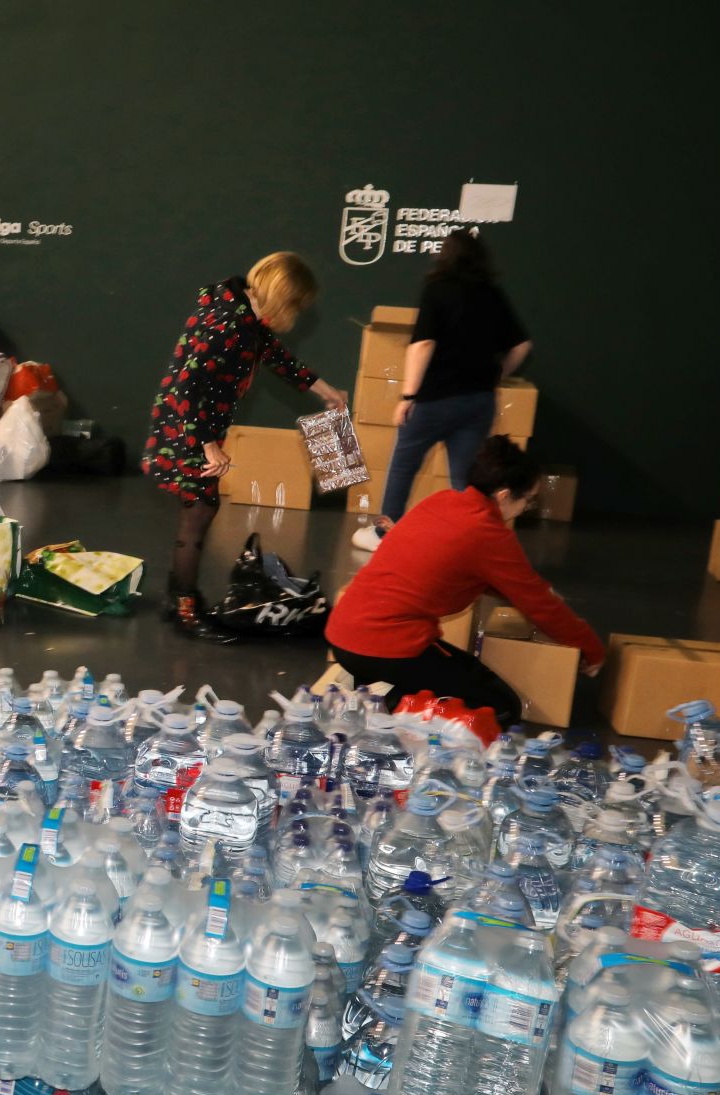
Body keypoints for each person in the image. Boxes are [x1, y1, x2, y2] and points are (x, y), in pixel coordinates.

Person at [326, 436, 603, 729]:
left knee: (454, 678)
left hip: (344, 635)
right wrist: (591, 649)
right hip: (385, 647)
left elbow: (461, 570)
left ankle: (379, 696)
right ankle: (385, 710)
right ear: (504, 495)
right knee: (500, 708)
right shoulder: (489, 533)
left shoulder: (442, 500)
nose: (525, 508)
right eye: (528, 500)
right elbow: (540, 605)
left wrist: (519, 590)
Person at [145, 252, 347, 639]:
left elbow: (278, 358)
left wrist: (326, 392)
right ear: (282, 296)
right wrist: (208, 446)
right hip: (188, 426)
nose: (297, 313)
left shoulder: (241, 312)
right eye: (296, 305)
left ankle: (177, 597)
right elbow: (188, 385)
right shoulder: (229, 324)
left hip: (194, 423)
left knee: (198, 510)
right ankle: (185, 608)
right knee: (199, 511)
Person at [354, 229, 531, 552]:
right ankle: (475, 538)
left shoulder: (437, 290)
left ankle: (384, 532)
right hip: (478, 401)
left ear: (444, 256)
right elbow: (521, 344)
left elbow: (422, 345)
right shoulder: (493, 294)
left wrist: (408, 396)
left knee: (404, 465)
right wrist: (496, 373)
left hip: (435, 399)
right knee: (468, 478)